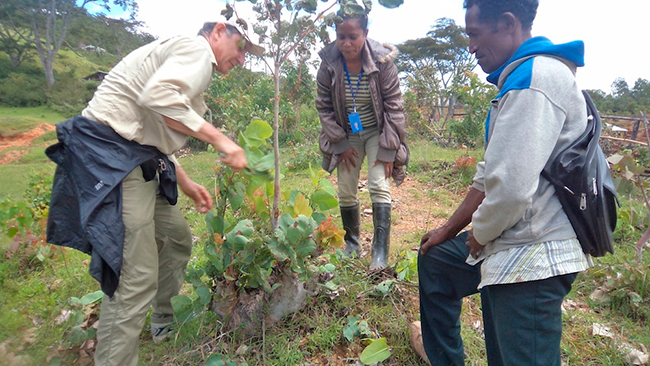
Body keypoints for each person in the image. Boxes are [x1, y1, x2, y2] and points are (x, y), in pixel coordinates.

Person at [46, 21, 263, 366]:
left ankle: (163, 319)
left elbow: (152, 132)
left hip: (138, 158)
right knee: (136, 276)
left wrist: (187, 183)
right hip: (112, 160)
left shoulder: (183, 60)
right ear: (218, 31)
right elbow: (159, 99)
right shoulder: (196, 51)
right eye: (240, 47)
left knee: (176, 238)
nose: (242, 58)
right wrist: (222, 140)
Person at [409, 0, 593, 365]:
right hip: (510, 238)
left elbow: (509, 190)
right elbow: (490, 172)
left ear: (508, 24)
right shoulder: (519, 78)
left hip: (535, 253)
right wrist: (448, 230)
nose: (471, 47)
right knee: (437, 262)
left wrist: (477, 235)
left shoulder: (534, 81)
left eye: (475, 34)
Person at [315, 12, 407, 270]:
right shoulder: (329, 63)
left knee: (379, 185)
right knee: (345, 188)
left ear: (365, 35)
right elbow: (324, 107)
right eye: (341, 37)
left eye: (352, 37)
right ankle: (352, 246)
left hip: (378, 133)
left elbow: (394, 108)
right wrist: (340, 144)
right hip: (347, 135)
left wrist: (389, 150)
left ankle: (379, 255)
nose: (346, 43)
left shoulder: (383, 62)